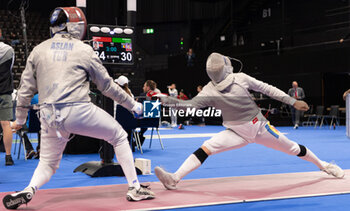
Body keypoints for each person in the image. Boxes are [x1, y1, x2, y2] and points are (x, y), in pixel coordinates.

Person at [3, 7, 154, 210]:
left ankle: (29, 189)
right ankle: (135, 188)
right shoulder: (84, 49)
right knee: (118, 135)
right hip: (78, 110)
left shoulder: (38, 50)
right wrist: (133, 105)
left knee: (47, 163)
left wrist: (20, 121)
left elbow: (24, 91)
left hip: (47, 115)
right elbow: (107, 86)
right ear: (76, 27)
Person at [154, 52, 344, 191]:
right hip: (235, 133)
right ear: (226, 67)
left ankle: (325, 166)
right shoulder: (219, 86)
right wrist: (164, 99)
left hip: (260, 129)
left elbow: (187, 107)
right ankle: (174, 178)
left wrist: (165, 100)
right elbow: (268, 89)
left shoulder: (218, 86)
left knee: (294, 148)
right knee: (206, 147)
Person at [0, 40, 15, 166]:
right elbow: (10, 68)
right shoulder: (9, 50)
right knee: (6, 125)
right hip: (4, 91)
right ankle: (8, 156)